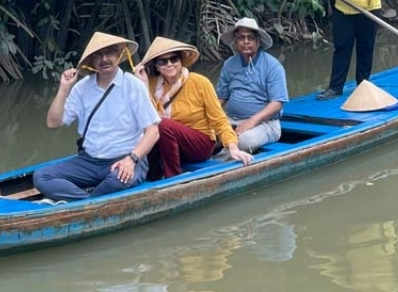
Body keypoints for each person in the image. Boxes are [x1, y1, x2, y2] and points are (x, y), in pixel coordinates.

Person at [34, 31, 160, 201]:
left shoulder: (133, 86)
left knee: (116, 180)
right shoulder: (81, 88)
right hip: (89, 161)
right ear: (92, 61)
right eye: (99, 55)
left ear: (119, 54)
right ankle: (88, 202)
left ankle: (83, 202)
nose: (105, 59)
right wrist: (64, 88)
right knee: (41, 177)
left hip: (125, 158)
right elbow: (53, 122)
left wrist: (131, 159)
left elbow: (153, 132)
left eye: (110, 52)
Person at [136, 36, 253, 178]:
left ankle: (172, 177)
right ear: (156, 66)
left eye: (174, 59)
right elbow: (145, 117)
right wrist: (142, 86)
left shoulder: (199, 82)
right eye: (163, 61)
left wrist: (233, 148)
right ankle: (152, 177)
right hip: (167, 143)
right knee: (151, 128)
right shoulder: (152, 84)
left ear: (181, 61)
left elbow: (219, 120)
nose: (169, 64)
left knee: (161, 123)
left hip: (199, 144)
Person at [215, 18, 288, 151]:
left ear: (258, 41)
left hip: (266, 124)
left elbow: (277, 102)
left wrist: (251, 121)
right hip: (231, 119)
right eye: (241, 38)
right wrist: (211, 119)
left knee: (243, 140)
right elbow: (221, 97)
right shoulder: (229, 64)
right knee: (203, 132)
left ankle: (216, 165)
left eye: (251, 37)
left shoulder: (272, 66)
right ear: (235, 41)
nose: (246, 42)